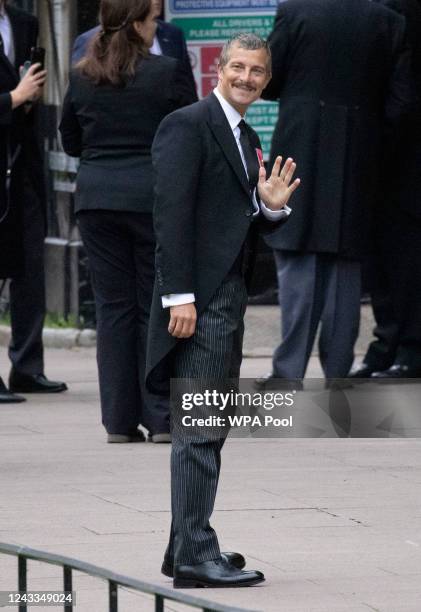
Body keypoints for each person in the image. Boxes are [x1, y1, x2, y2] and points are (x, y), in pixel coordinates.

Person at [146, 33, 300, 587]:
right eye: (238, 66)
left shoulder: (246, 133)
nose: (246, 77)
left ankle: (183, 545)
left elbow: (231, 219)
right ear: (219, 68)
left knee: (207, 422)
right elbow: (170, 212)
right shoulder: (187, 124)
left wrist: (270, 208)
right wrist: (179, 295)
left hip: (226, 298)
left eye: (256, 71)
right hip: (201, 301)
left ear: (265, 78)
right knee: (201, 428)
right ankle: (194, 556)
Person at [255, 0, 412, 388]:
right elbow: (402, 99)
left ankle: (288, 372)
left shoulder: (296, 12)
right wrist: (374, 139)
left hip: (302, 144)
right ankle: (337, 374)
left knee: (297, 259)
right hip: (359, 152)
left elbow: (270, 82)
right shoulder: (388, 21)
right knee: (346, 266)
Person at [59, 0, 196, 443]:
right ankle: (160, 417)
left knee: (112, 308)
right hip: (151, 198)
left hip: (96, 199)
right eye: (154, 19)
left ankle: (118, 421)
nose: (157, 26)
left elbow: (71, 139)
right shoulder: (166, 72)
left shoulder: (82, 74)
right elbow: (188, 132)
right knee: (153, 305)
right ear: (139, 24)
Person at [350, 0, 421, 379]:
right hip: (379, 147)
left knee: (403, 255)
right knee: (380, 256)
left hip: (400, 151)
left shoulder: (400, 10)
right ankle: (389, 343)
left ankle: (409, 346)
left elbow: (402, 93)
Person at [0, 0, 68, 397]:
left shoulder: (23, 23)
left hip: (21, 162)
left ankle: (27, 366)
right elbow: (15, 92)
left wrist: (30, 96)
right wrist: (13, 97)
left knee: (30, 266)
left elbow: (28, 89)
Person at [71, 0, 196, 101]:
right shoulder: (86, 44)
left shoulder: (173, 35)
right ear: (137, 26)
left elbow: (187, 99)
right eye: (152, 20)